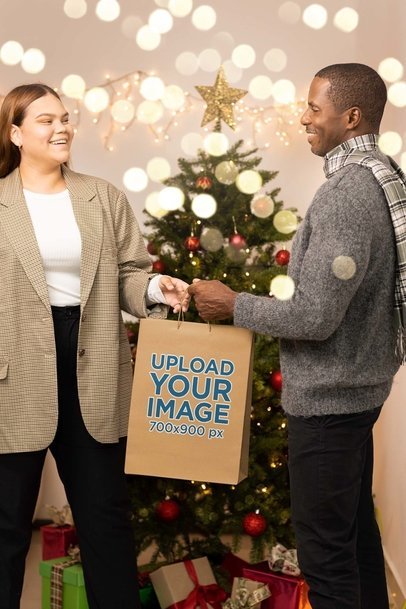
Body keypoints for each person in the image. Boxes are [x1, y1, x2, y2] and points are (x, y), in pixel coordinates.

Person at [188, 63, 406, 609]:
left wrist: (231, 304)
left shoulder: (348, 195)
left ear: (350, 116)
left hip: (331, 405)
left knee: (326, 558)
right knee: (354, 544)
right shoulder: (379, 176)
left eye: (314, 107)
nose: (304, 117)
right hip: (355, 394)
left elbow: (315, 317)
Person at [0, 83, 190, 609]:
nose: (61, 128)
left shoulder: (102, 197)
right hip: (13, 374)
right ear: (16, 134)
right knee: (6, 528)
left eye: (64, 118)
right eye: (45, 121)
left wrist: (155, 288)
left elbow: (131, 274)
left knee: (106, 521)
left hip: (94, 364)